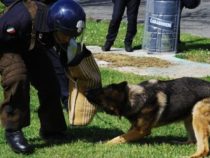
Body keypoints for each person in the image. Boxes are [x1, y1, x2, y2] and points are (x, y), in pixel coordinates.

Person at [0, 0, 87, 154]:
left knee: (50, 81)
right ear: (55, 26)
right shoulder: (20, 19)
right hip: (6, 45)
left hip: (31, 46)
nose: (68, 39)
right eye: (66, 35)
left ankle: (52, 129)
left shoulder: (54, 24)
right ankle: (13, 130)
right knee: (17, 77)